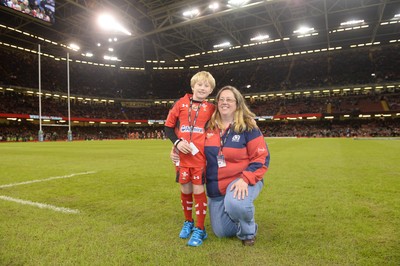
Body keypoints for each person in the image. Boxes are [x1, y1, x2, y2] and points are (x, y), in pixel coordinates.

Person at [171, 85, 270, 246]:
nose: (225, 102)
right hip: (217, 188)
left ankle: (247, 233)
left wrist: (245, 179)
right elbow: (189, 139)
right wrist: (176, 148)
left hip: (241, 180)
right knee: (222, 232)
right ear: (217, 103)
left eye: (229, 99)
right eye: (221, 99)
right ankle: (235, 214)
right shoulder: (208, 126)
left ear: (237, 103)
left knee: (236, 202)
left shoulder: (247, 126)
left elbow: (262, 157)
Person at [164, 71, 216, 247]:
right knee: (185, 190)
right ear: (193, 86)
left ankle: (200, 229)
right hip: (181, 157)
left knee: (198, 191)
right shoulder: (180, 103)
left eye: (206, 86)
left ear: (210, 91)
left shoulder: (211, 109)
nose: (202, 88)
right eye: (199, 84)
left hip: (200, 158)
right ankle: (188, 222)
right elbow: (168, 127)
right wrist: (177, 143)